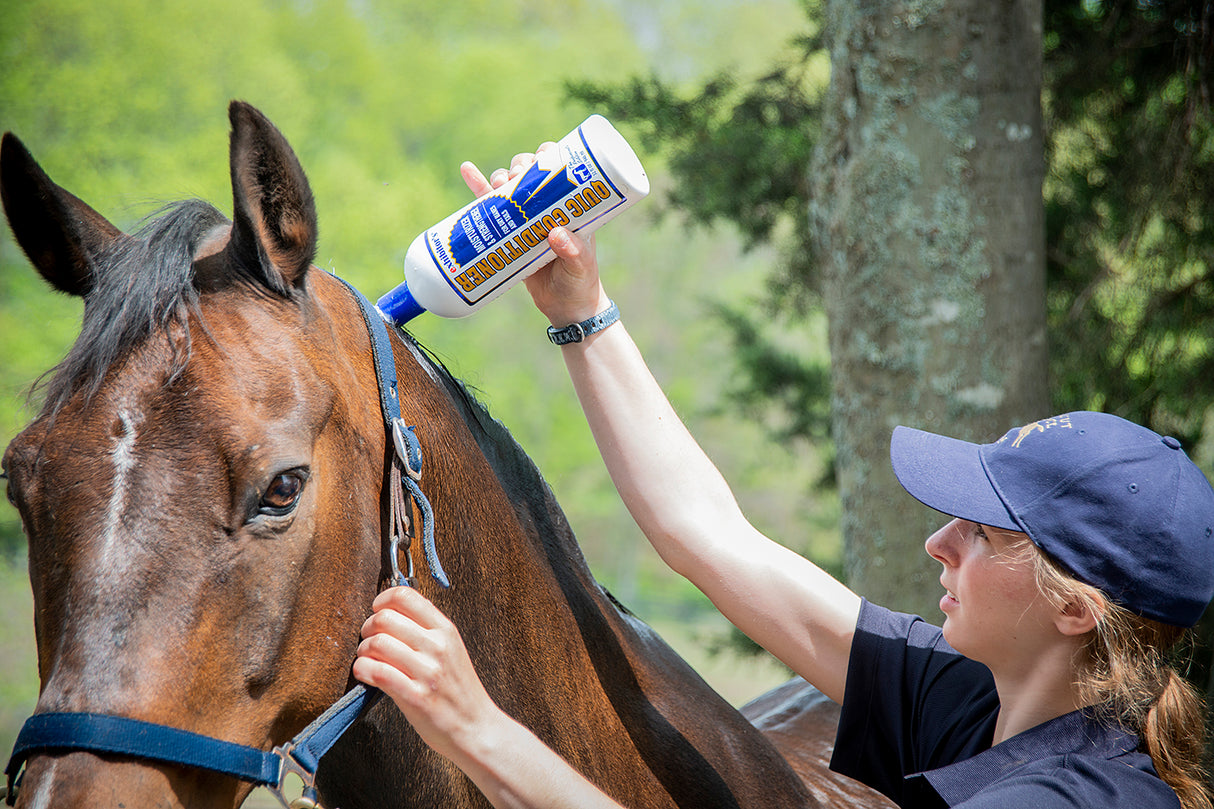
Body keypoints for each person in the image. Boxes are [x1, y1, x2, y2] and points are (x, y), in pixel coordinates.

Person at [352, 144, 1214, 809]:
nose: (938, 541)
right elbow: (710, 539)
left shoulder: (1080, 797)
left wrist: (477, 727)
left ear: (1073, 608)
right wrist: (581, 309)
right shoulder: (985, 698)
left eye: (982, 532)